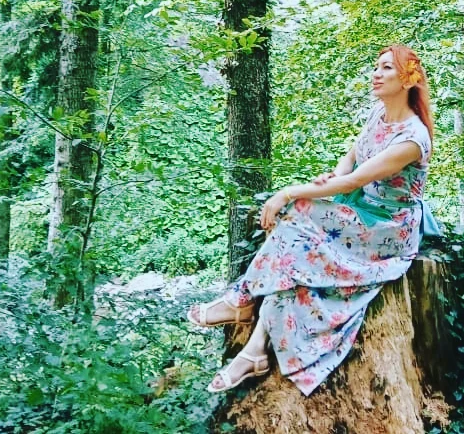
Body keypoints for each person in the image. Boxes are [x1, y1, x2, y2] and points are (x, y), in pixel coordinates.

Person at [187, 44, 437, 395]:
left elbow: (353, 181)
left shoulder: (412, 138)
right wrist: (332, 175)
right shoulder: (378, 115)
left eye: (386, 68)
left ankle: (241, 301)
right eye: (376, 66)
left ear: (408, 79)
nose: (376, 74)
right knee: (295, 250)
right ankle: (254, 348)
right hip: (359, 211)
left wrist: (288, 192)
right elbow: (351, 159)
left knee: (297, 211)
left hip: (386, 229)